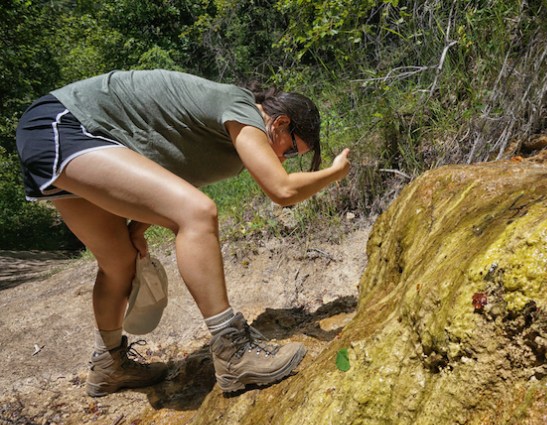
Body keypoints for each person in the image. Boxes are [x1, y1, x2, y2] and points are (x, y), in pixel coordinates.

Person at [15, 69, 351, 397]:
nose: (284, 159)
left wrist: (138, 227)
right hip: (64, 123)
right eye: (290, 151)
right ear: (280, 124)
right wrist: (335, 174)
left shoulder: (229, 155)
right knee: (199, 213)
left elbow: (172, 176)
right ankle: (233, 352)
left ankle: (108, 364)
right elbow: (282, 190)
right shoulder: (242, 109)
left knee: (120, 260)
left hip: (62, 138)